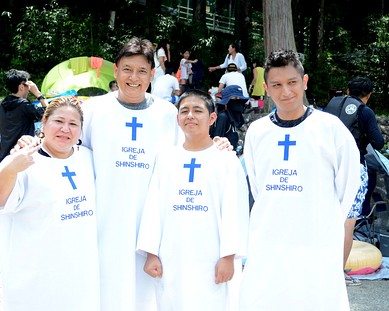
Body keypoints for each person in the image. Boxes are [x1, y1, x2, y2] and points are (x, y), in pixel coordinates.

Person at [240, 49, 361, 310]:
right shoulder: (258, 132)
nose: (285, 92)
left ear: (304, 81)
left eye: (292, 83)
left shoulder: (330, 129)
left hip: (316, 241)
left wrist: (324, 225)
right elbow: (257, 187)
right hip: (269, 241)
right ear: (266, 88)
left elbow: (348, 185)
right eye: (277, 85)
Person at [137, 89, 249, 311]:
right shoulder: (166, 159)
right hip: (172, 254)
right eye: (184, 111)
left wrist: (228, 256)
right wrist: (151, 253)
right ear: (177, 118)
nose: (190, 116)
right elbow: (153, 207)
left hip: (213, 256)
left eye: (198, 110)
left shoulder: (226, 160)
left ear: (212, 118)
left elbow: (235, 210)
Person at [0, 96, 99, 311]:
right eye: (58, 121)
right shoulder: (23, 159)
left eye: (73, 124)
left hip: (79, 274)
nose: (66, 129)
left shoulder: (88, 158)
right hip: (35, 276)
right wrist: (11, 169)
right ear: (43, 122)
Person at [324, 76, 385, 286]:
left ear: (348, 90)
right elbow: (378, 142)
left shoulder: (331, 105)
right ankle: (338, 273)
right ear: (368, 96)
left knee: (326, 218)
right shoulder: (365, 111)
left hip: (325, 168)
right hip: (352, 168)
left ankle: (319, 267)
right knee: (348, 222)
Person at [0, 69, 48, 162]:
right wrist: (38, 94)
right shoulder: (24, 105)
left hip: (4, 155)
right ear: (21, 86)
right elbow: (49, 115)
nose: (29, 89)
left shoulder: (2, 104)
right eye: (28, 85)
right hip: (21, 154)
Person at [210, 85, 249, 151]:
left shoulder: (238, 117)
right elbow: (216, 142)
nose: (238, 101)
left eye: (240, 99)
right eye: (235, 98)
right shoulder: (223, 117)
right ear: (226, 102)